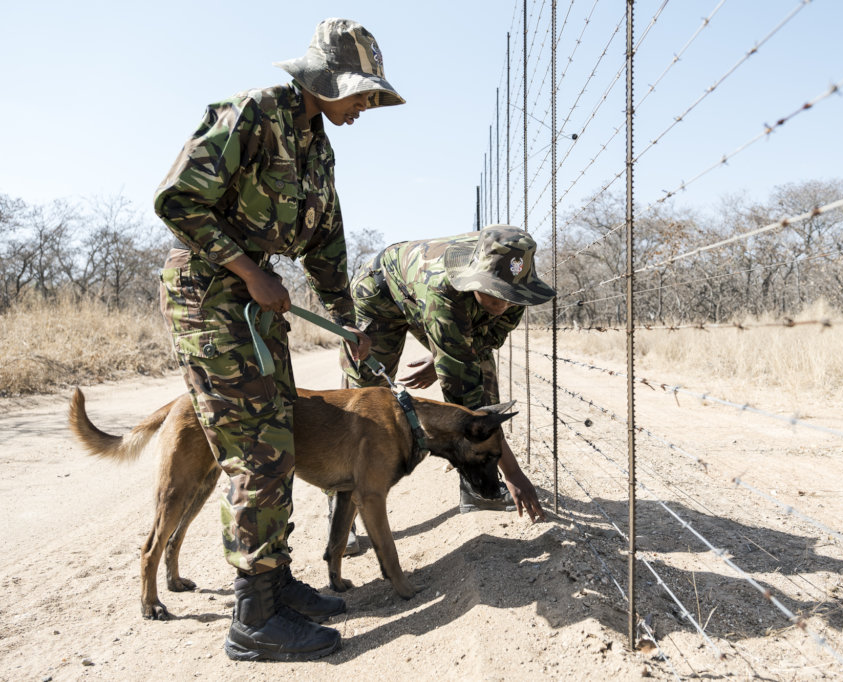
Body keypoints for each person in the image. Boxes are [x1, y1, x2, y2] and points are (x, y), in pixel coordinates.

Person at [154, 18, 402, 662]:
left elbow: (328, 245)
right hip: (212, 297)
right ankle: (253, 618)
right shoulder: (250, 114)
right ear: (326, 80)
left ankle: (278, 582)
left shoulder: (319, 147)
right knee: (255, 449)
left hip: (257, 305)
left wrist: (350, 323)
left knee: (280, 437)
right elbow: (177, 200)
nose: (365, 107)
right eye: (361, 94)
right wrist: (246, 269)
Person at [341, 224, 554, 523]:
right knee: (364, 402)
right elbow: (465, 403)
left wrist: (444, 354)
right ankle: (343, 513)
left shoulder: (513, 283)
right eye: (494, 293)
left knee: (480, 370)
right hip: (381, 294)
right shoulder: (445, 293)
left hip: (433, 300)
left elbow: (485, 342)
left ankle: (478, 486)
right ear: (476, 277)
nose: (503, 304)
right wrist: (515, 474)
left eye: (510, 295)